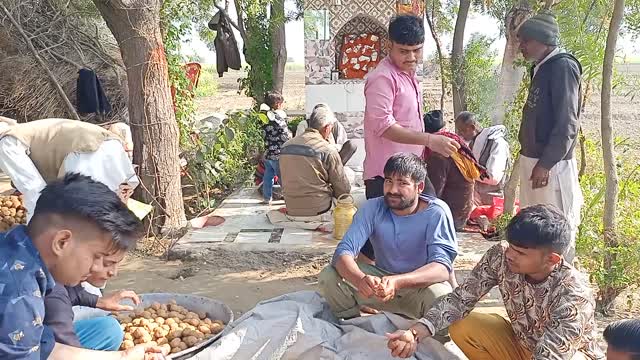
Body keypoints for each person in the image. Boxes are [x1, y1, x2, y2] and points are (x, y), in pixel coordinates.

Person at [385, 205, 604, 360]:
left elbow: (554, 354)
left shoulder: (574, 294)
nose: (510, 254)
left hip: (561, 356)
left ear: (552, 259)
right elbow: (461, 298)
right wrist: (415, 332)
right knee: (464, 325)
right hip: (523, 346)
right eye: (510, 246)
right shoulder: (500, 256)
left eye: (520, 252)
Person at [0, 173, 166, 359]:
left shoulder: (16, 246)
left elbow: (46, 349)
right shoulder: (19, 292)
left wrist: (123, 356)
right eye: (99, 257)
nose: (99, 270)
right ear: (62, 242)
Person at [362, 14, 459, 260]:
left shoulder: (409, 76)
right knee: (375, 240)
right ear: (388, 45)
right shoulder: (382, 78)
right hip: (386, 175)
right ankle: (353, 285)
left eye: (416, 50)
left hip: (413, 170)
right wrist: (429, 140)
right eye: (404, 51)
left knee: (433, 216)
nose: (412, 57)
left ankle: (440, 278)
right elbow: (383, 126)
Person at [318, 153, 456, 320]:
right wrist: (360, 280)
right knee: (329, 276)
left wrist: (397, 282)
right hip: (380, 287)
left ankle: (427, 336)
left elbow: (441, 268)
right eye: (388, 181)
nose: (392, 190)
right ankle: (350, 325)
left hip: (420, 288)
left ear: (419, 187)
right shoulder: (372, 207)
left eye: (402, 183)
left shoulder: (437, 212)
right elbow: (343, 252)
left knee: (442, 297)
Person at [517, 11, 583, 262]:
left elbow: (567, 123)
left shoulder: (562, 67)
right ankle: (538, 277)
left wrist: (545, 164)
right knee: (536, 224)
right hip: (535, 161)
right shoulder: (542, 67)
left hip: (550, 166)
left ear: (542, 41)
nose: (522, 46)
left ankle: (562, 283)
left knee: (555, 227)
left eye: (526, 41)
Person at [0, 118, 138, 221]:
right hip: (110, 145)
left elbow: (35, 191)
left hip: (84, 155)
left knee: (77, 216)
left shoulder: (7, 143)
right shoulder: (29, 130)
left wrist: (34, 238)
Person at [44, 250, 140, 351]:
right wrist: (123, 356)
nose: (114, 273)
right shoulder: (55, 299)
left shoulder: (60, 277)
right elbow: (69, 352)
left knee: (110, 329)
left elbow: (70, 291)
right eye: (107, 263)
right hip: (43, 348)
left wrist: (99, 301)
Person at [279, 104, 351, 217]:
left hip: (291, 207)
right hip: (319, 208)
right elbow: (343, 190)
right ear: (327, 128)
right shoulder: (327, 149)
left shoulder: (285, 147)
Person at [423, 111, 486, 231]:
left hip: (450, 217)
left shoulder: (439, 155)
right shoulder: (456, 144)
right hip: (462, 212)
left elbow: (433, 194)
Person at [455, 111, 510, 206]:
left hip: (493, 202)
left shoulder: (497, 143)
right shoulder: (473, 142)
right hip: (475, 198)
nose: (460, 134)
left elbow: (493, 177)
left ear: (472, 127)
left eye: (462, 130)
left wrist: (466, 172)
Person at [260, 91, 292, 204]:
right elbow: (285, 135)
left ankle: (267, 198)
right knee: (283, 177)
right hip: (278, 154)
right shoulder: (278, 118)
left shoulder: (263, 118)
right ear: (277, 104)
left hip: (268, 153)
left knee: (268, 177)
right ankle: (289, 198)